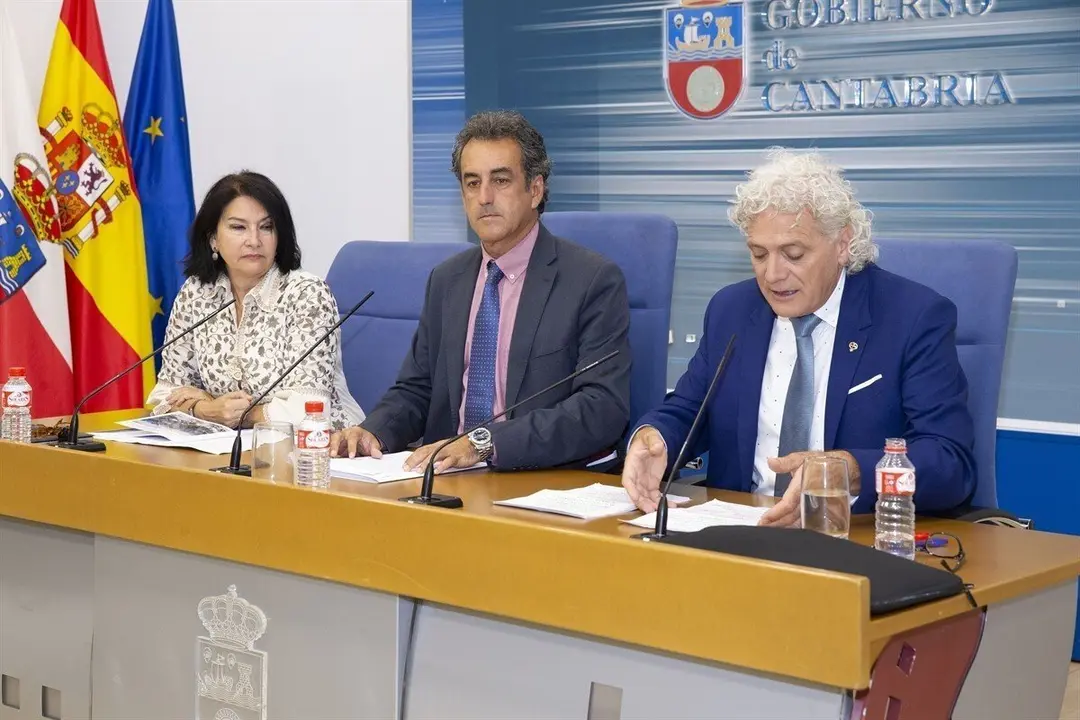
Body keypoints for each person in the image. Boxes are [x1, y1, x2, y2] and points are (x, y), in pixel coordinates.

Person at [622, 148, 976, 524]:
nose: (773, 275)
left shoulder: (912, 317)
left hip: (851, 534)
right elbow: (690, 410)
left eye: (793, 254)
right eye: (759, 254)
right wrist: (656, 437)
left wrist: (849, 469)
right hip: (739, 530)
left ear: (842, 244)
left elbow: (949, 461)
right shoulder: (732, 310)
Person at [331, 110, 631, 472]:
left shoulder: (591, 280)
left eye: (500, 180)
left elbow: (601, 408)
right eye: (472, 183)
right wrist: (373, 431)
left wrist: (484, 443)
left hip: (537, 477)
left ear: (535, 190)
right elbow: (418, 389)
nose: (484, 197)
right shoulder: (447, 280)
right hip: (445, 480)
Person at [146, 171, 364, 430]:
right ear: (213, 238)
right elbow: (164, 396)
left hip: (321, 445)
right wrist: (205, 410)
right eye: (238, 227)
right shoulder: (197, 293)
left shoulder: (307, 294)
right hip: (232, 445)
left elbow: (308, 409)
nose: (254, 241)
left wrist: (233, 413)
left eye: (266, 227)